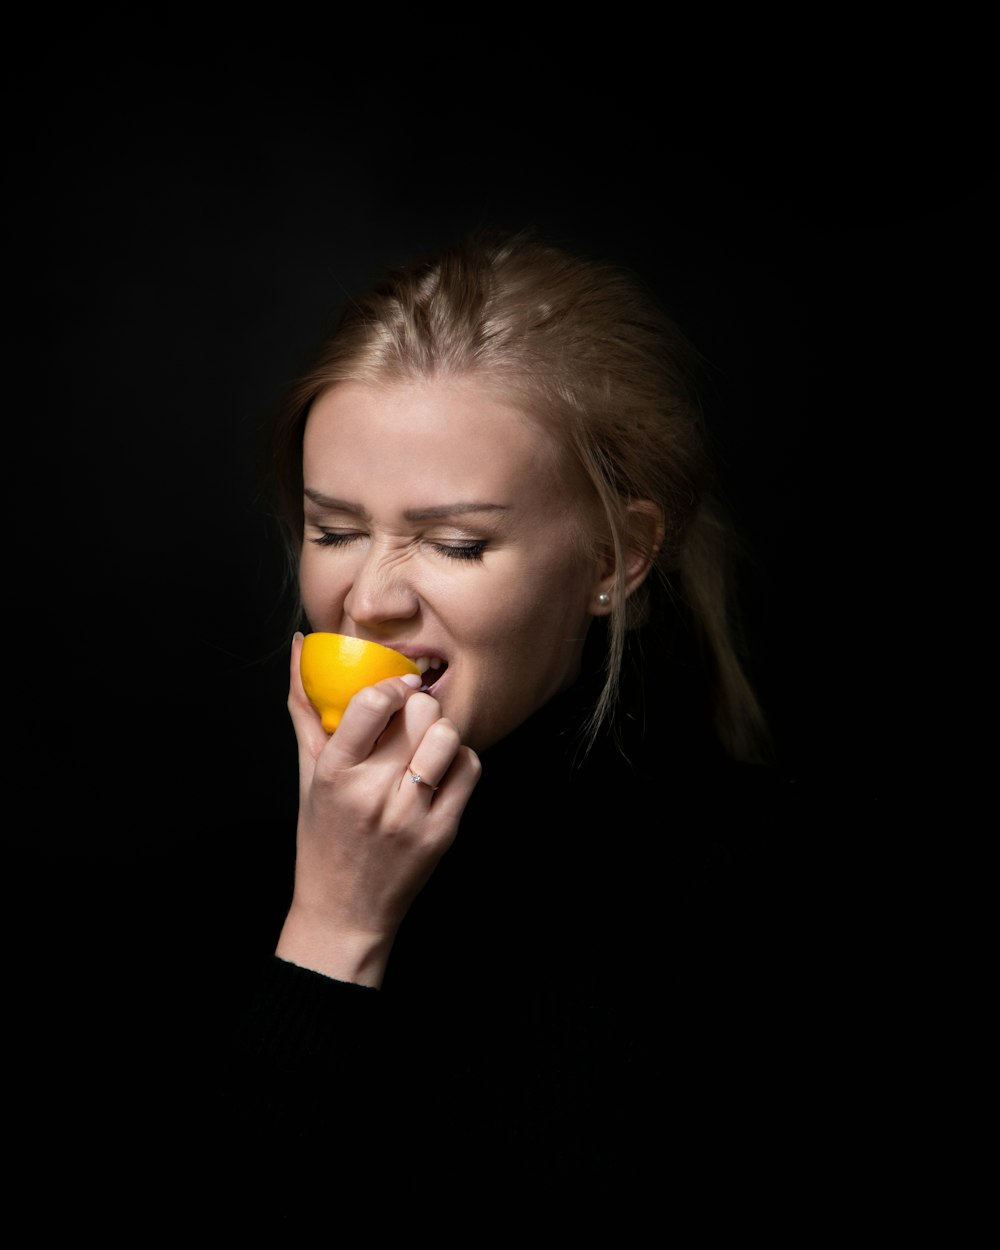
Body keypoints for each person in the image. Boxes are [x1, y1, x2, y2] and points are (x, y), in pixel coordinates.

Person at [193, 226, 812, 1213]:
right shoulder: (224, 894)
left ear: (616, 558)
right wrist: (331, 927)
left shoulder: (762, 899)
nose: (371, 599)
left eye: (454, 542)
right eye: (334, 530)